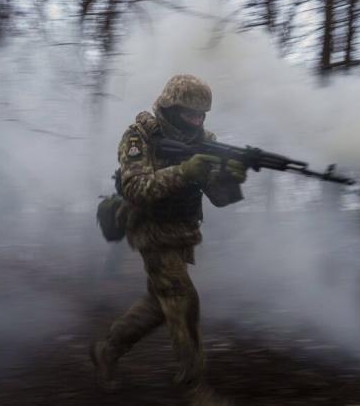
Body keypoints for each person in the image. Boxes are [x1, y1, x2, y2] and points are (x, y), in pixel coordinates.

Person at [90, 74, 247, 394]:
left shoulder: (205, 140)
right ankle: (194, 389)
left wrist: (231, 177)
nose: (197, 121)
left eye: (202, 115)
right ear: (171, 109)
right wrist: (186, 171)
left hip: (182, 231)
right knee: (183, 301)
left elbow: (219, 199)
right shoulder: (139, 137)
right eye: (190, 114)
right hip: (149, 227)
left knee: (160, 303)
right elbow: (135, 188)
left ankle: (108, 349)